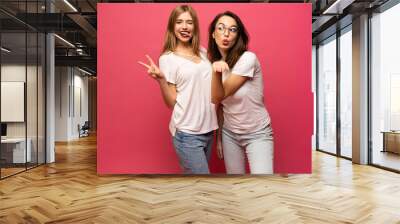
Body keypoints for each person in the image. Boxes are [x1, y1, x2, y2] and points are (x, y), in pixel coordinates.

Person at [138, 5, 218, 174]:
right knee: (202, 185)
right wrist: (161, 80)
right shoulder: (168, 58)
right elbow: (171, 102)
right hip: (187, 133)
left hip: (209, 129)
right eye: (179, 22)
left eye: (189, 22)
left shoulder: (202, 52)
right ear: (172, 27)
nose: (184, 27)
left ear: (195, 26)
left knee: (196, 187)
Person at [208, 11, 274, 174]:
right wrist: (219, 139)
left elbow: (218, 96)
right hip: (230, 134)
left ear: (238, 36)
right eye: (221, 28)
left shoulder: (247, 58)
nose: (226, 34)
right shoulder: (217, 64)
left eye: (233, 30)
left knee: (263, 186)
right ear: (213, 34)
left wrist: (216, 72)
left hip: (257, 132)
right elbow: (221, 106)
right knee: (237, 186)